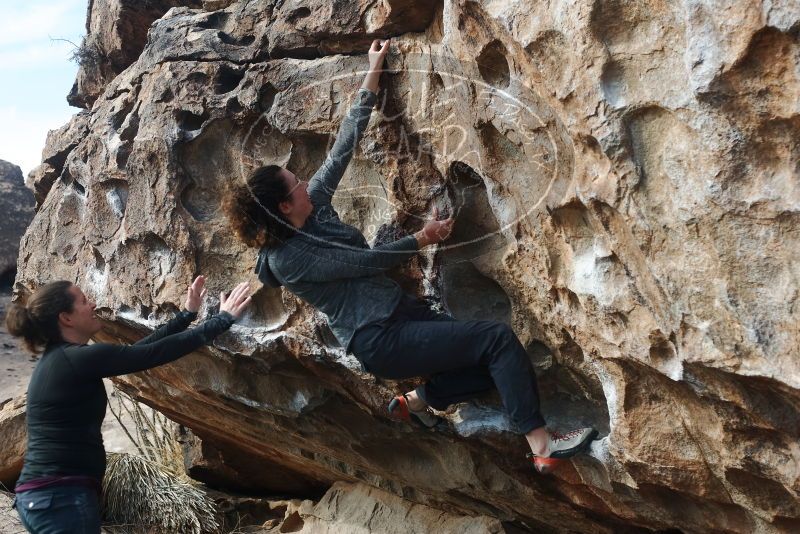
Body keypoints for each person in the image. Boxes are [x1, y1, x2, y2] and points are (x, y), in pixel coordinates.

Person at [223, 39, 596, 473]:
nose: (304, 181)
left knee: (494, 367)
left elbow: (344, 146)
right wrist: (423, 237)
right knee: (497, 341)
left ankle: (415, 401)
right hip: (379, 338)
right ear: (286, 206)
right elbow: (364, 263)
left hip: (402, 313)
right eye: (296, 183)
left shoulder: (313, 207)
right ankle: (542, 445)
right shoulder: (289, 259)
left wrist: (372, 72)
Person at [5, 275, 252, 533]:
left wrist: (186, 315)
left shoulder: (65, 359)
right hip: (59, 499)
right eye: (84, 301)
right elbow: (150, 355)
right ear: (66, 318)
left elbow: (137, 353)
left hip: (49, 497)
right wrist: (221, 320)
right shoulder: (74, 360)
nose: (93, 304)